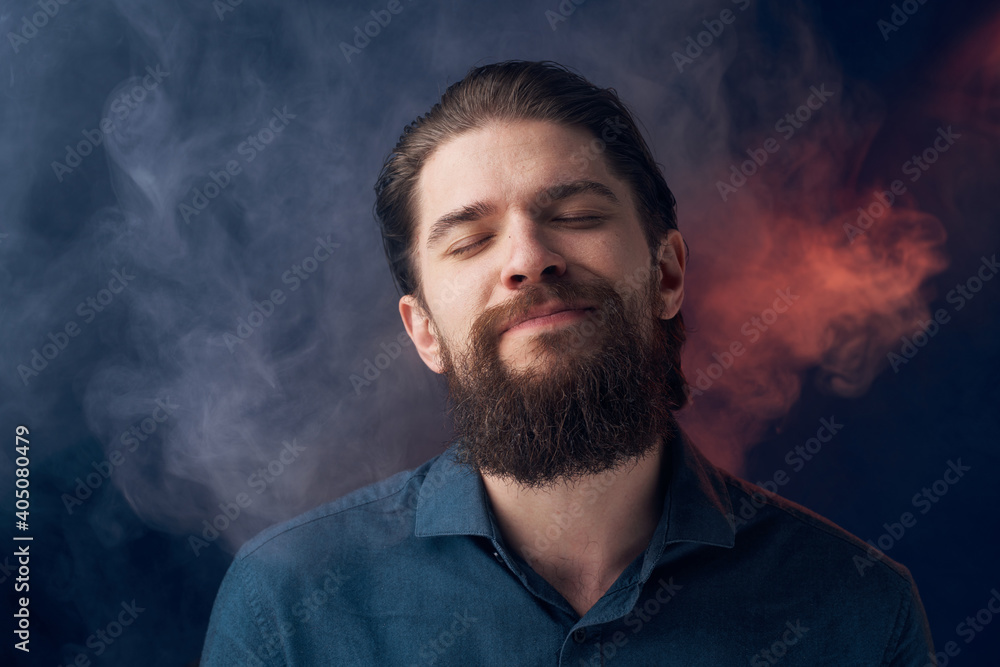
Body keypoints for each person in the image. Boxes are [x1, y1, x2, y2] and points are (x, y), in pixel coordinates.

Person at [201, 60, 935, 666]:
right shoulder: (288, 608)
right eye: (470, 240)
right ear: (423, 331)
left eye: (577, 216)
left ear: (668, 274)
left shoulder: (858, 608)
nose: (527, 258)